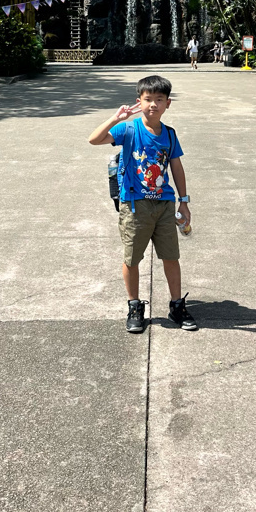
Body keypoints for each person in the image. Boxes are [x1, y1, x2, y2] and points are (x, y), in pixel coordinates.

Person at [88, 74, 197, 334]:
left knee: (171, 257)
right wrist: (116, 118)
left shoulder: (169, 134)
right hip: (135, 206)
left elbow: (176, 167)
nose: (153, 105)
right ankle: (135, 306)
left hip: (164, 205)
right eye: (148, 99)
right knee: (132, 258)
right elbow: (94, 139)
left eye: (159, 99)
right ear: (139, 101)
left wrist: (183, 201)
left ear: (168, 103)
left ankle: (176, 305)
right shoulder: (128, 130)